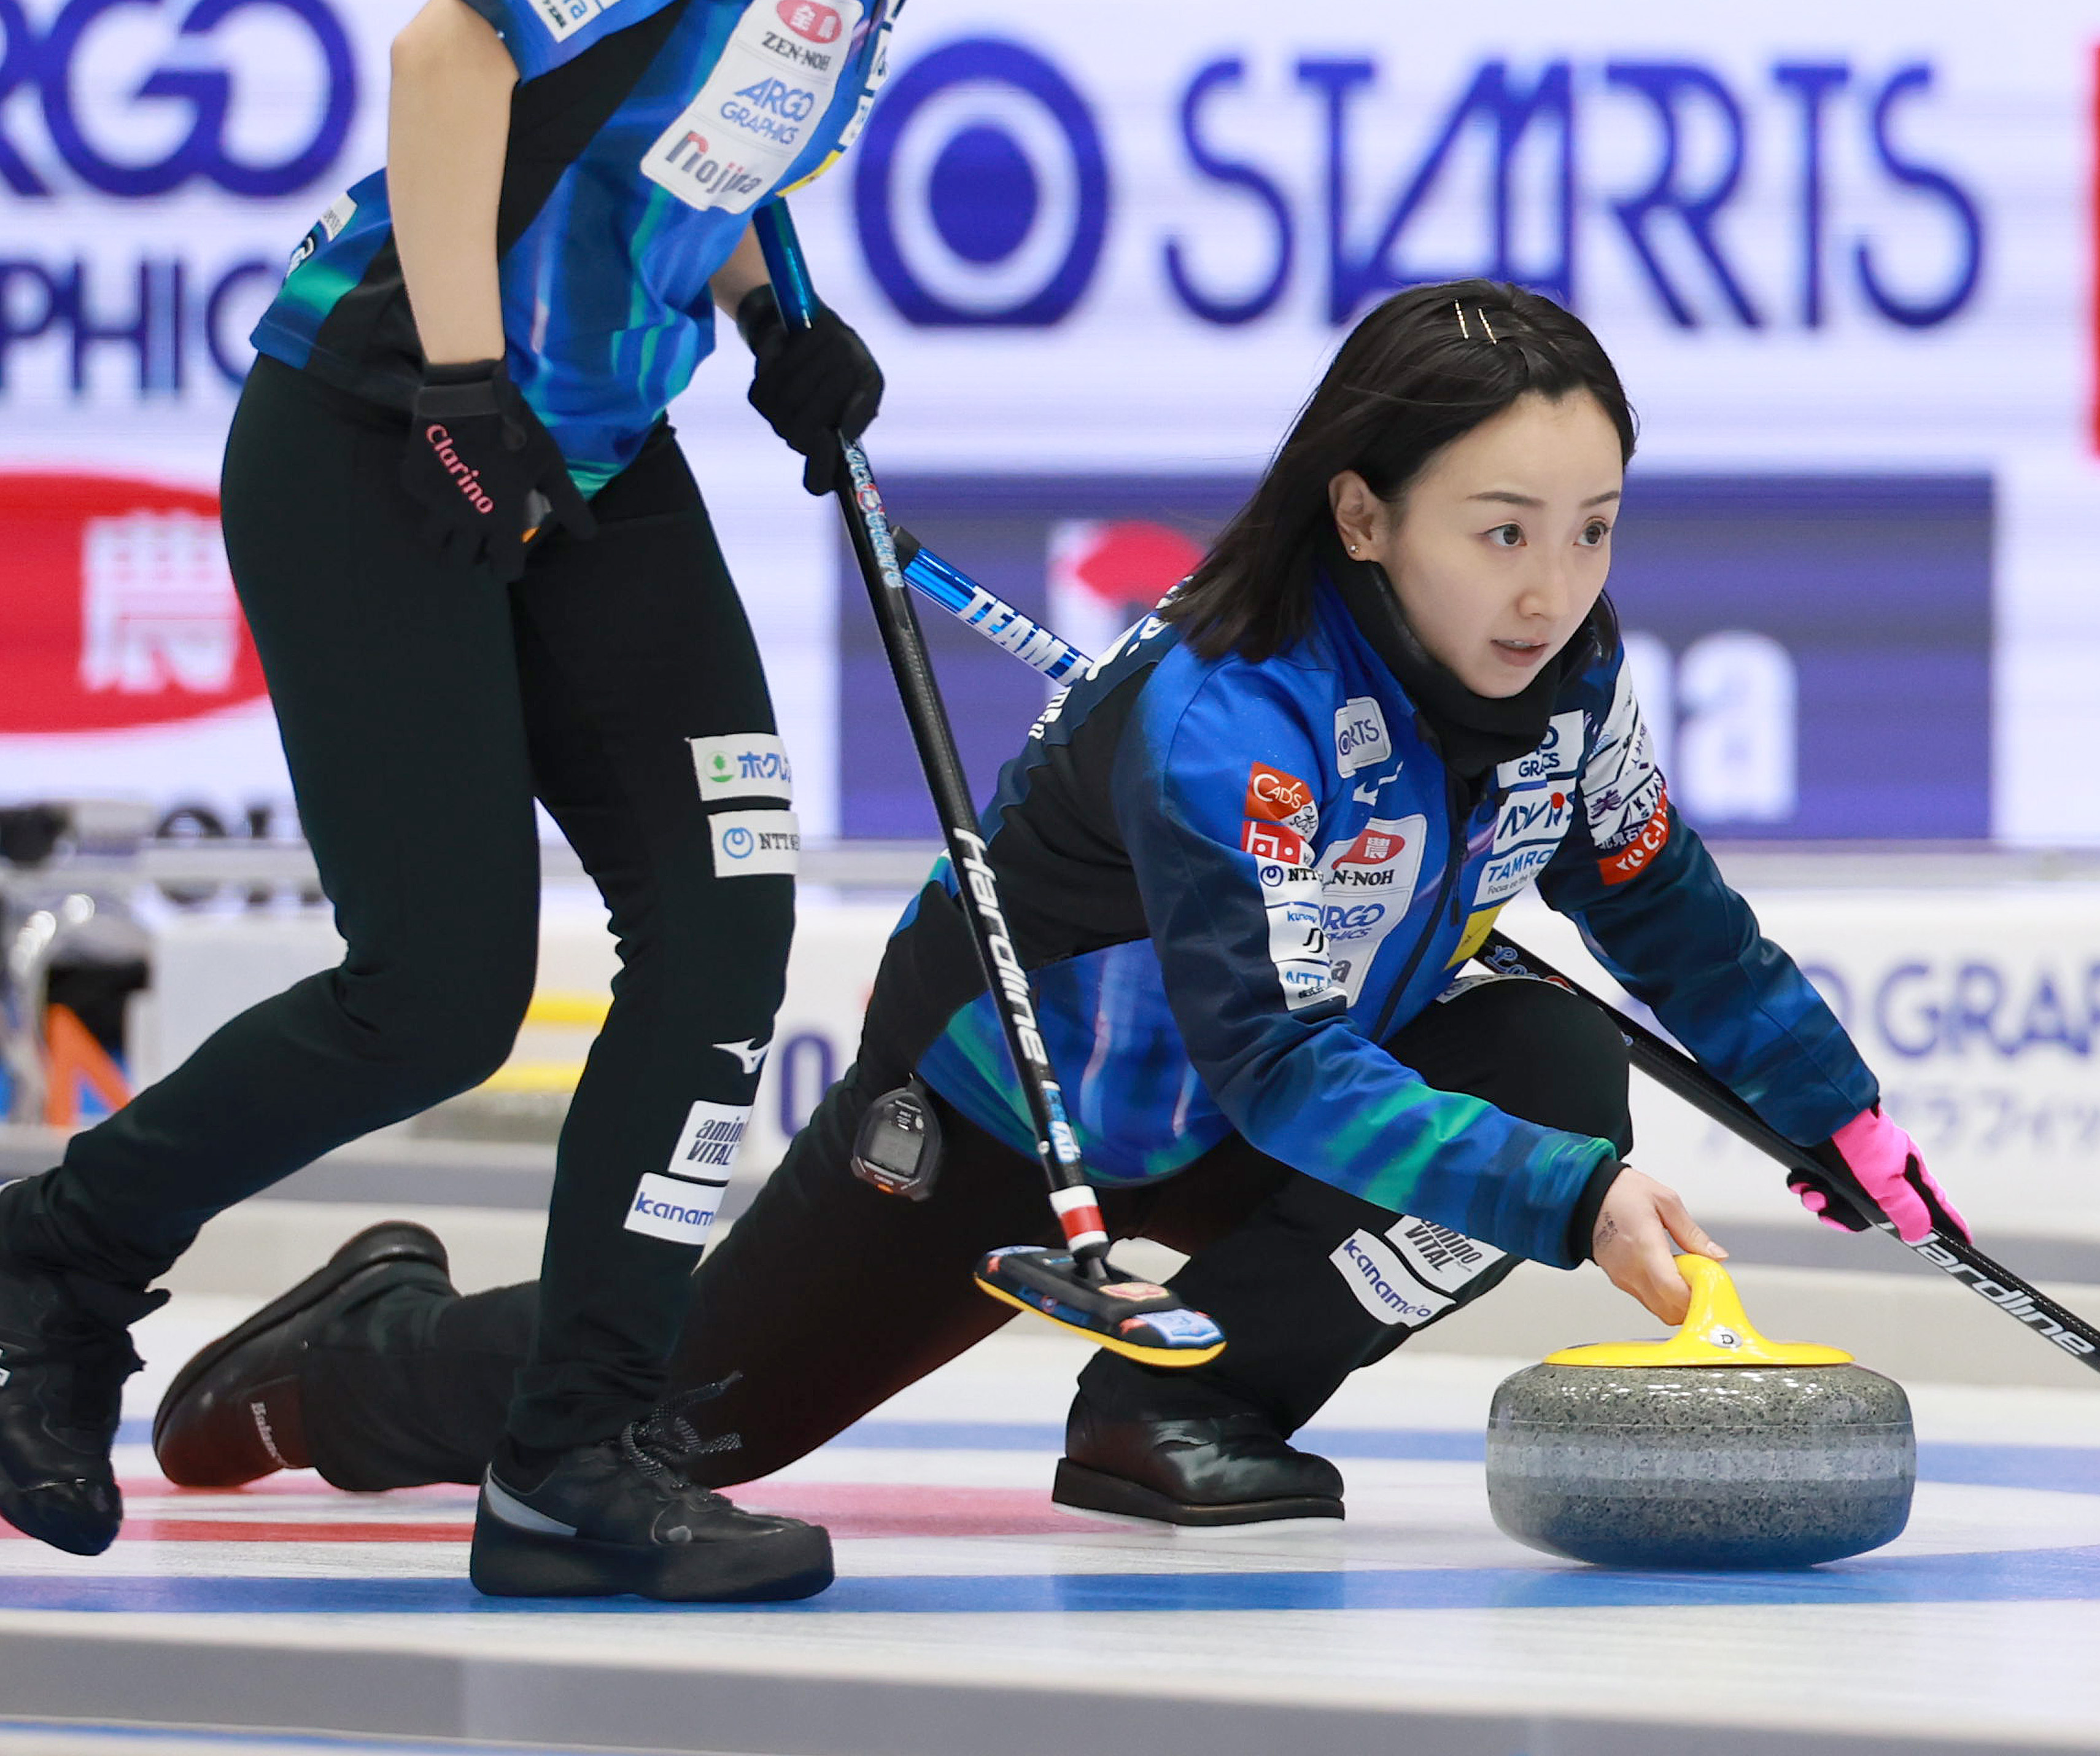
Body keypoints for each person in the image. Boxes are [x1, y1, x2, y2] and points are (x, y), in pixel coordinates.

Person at [152, 278, 1966, 1541]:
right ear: (1362, 512)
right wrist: (1569, 1199)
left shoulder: (1567, 687)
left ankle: (1181, 1408)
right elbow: (1274, 1062)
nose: (1554, 586)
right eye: (1502, 529)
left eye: (1595, 527)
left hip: (1259, 1108)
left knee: (1560, 1059)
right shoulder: (1228, 715)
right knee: (693, 1422)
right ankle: (363, 1352)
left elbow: (1680, 928)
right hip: (1007, 1115)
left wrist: (1840, 1114)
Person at [0, 0, 908, 1601]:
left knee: (727, 915)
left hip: (595, 453)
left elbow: (692, 142)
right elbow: (444, 61)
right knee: (439, 993)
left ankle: (572, 1456)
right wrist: (464, 374)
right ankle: (51, 1262)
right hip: (384, 424)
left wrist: (778, 313)